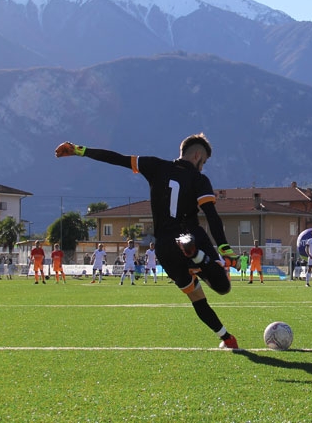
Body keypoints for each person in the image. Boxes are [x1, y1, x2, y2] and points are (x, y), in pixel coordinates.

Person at [55, 133, 239, 348]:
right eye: (204, 162)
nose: (202, 167)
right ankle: (196, 255)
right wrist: (224, 247)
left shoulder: (154, 165)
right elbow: (211, 214)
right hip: (189, 236)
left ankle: (227, 338)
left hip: (164, 246)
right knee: (223, 286)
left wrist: (79, 150)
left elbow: (117, 158)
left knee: (195, 296)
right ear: (198, 155)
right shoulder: (199, 179)